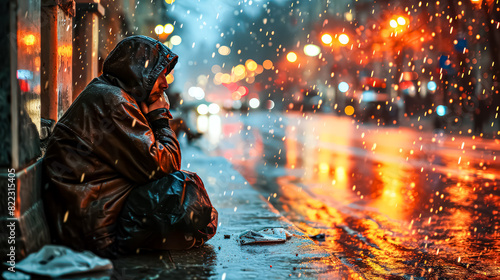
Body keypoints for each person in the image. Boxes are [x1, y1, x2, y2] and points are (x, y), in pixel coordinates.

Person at [43, 35, 217, 258]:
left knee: (185, 195)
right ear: (140, 73)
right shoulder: (115, 102)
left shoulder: (108, 94)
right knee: (183, 189)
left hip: (87, 220)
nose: (165, 84)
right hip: (97, 233)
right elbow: (163, 165)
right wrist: (160, 118)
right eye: (161, 75)